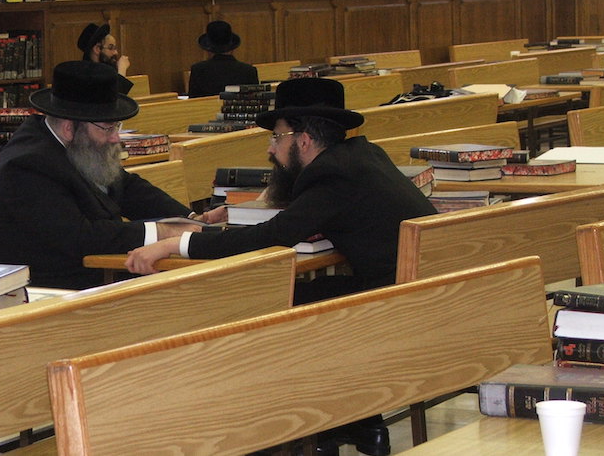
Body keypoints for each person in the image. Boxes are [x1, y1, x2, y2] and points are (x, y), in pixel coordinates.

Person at [124, 77, 437, 456]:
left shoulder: (331, 174)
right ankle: (356, 424)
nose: (271, 148)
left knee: (265, 303)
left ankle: (286, 432)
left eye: (276, 137)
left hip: (396, 306)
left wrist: (176, 243)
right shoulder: (361, 155)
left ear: (302, 139)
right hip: (419, 292)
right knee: (296, 293)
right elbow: (309, 212)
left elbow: (270, 237)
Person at [0, 60, 211, 290]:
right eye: (108, 128)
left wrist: (192, 219)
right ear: (69, 127)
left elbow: (127, 187)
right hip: (35, 292)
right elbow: (80, 238)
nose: (115, 137)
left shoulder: (77, 146)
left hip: (86, 279)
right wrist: (163, 232)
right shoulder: (27, 165)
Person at [187, 20, 259, 97]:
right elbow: (255, 102)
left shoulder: (198, 70)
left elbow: (193, 100)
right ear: (232, 48)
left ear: (208, 49)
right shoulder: (248, 71)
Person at [77, 23, 134, 94]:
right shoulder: (88, 76)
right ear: (97, 49)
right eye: (111, 48)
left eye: (115, 48)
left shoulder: (105, 72)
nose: (116, 52)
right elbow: (114, 99)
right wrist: (122, 70)